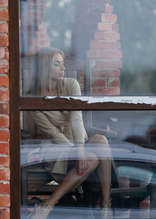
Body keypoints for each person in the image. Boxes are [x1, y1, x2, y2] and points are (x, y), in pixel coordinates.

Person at [26, 47, 113, 219]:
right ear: (44, 68)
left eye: (63, 64)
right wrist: (76, 151)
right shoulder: (32, 98)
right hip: (55, 147)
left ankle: (104, 205)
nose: (63, 68)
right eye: (57, 64)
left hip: (80, 141)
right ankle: (51, 204)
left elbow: (76, 118)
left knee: (101, 141)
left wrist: (79, 149)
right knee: (93, 159)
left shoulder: (71, 84)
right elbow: (53, 133)